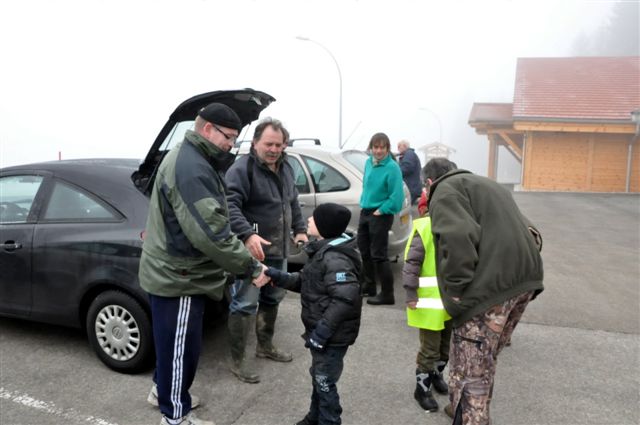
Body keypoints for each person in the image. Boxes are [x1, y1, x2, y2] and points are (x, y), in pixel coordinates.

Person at [139, 103, 269, 425]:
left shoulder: (190, 156)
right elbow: (211, 234)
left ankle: (163, 392)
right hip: (180, 277)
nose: (231, 145)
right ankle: (175, 417)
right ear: (208, 129)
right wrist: (252, 268)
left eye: (236, 138)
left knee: (171, 346)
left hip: (173, 271)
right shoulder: (192, 168)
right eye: (229, 137)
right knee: (181, 352)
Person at [422, 158, 544, 425]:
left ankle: (469, 416)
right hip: (525, 282)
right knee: (482, 359)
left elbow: (457, 236)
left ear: (429, 183)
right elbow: (533, 232)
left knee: (471, 372)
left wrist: (456, 288)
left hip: (488, 291)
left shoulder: (444, 191)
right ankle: (459, 407)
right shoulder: (489, 185)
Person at [225, 117, 308, 383]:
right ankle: (237, 362)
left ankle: (265, 346)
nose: (274, 149)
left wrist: (300, 228)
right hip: (252, 252)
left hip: (278, 249)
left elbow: (292, 202)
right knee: (245, 303)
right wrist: (247, 234)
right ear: (255, 142)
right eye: (269, 144)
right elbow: (229, 205)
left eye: (279, 145)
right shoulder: (242, 169)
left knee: (273, 298)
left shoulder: (286, 168)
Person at [264, 203, 362, 425]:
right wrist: (276, 275)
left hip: (331, 337)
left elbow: (345, 299)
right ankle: (314, 417)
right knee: (319, 377)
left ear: (325, 226)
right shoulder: (324, 251)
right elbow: (306, 281)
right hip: (323, 334)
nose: (308, 220)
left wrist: (321, 333)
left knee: (324, 381)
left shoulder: (336, 259)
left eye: (314, 218)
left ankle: (329, 421)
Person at [402, 187, 454, 412]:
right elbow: (412, 264)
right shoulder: (424, 228)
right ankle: (421, 389)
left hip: (449, 301)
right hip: (429, 302)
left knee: (445, 347)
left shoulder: (456, 226)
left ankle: (436, 376)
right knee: (430, 349)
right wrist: (410, 293)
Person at [358, 132, 404, 305]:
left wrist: (381, 210)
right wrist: (364, 202)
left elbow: (397, 198)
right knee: (364, 251)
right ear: (371, 147)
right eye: (375, 147)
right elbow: (366, 186)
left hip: (381, 214)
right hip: (365, 211)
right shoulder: (368, 162)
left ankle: (387, 294)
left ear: (387, 148)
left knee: (379, 255)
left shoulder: (392, 167)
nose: (378, 151)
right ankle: (369, 286)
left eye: (382, 148)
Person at [397, 140, 422, 204]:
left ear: (405, 146)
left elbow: (406, 168)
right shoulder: (408, 155)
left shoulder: (409, 154)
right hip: (412, 187)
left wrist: (394, 172)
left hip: (411, 188)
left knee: (404, 206)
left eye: (399, 146)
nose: (398, 148)